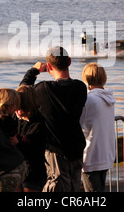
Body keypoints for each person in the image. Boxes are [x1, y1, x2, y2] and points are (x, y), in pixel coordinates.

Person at [20, 46, 87, 192]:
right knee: (73, 187)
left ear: (49, 66)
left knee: (56, 186)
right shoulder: (81, 87)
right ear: (69, 61)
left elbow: (22, 94)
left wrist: (33, 72)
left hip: (56, 149)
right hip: (76, 147)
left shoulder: (43, 89)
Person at [80, 63, 116, 192]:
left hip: (91, 155)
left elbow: (81, 124)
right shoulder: (109, 99)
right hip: (106, 154)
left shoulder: (89, 99)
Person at [12, 85, 47, 192]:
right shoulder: (16, 119)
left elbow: (34, 151)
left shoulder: (39, 124)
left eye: (20, 107)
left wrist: (17, 143)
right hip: (16, 169)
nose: (17, 111)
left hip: (34, 172)